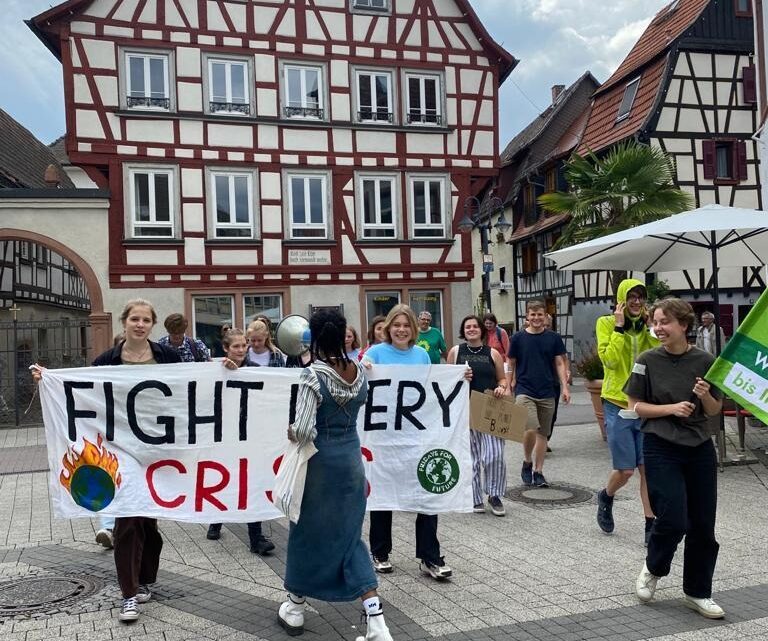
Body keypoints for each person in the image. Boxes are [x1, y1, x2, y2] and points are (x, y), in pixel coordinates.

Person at [31, 300, 182, 622]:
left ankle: (146, 579)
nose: (139, 324)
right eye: (134, 319)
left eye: (145, 320)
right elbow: (81, 387)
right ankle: (129, 593)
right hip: (120, 450)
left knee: (148, 524)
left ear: (151, 325)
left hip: (157, 451)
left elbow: (193, 385)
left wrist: (228, 367)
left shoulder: (167, 356)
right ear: (125, 323)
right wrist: (49, 379)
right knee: (127, 522)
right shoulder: (107, 360)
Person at [278, 309, 393, 641]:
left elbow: (302, 430)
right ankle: (377, 623)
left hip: (320, 463)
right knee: (349, 536)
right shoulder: (358, 371)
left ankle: (296, 607)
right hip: (352, 462)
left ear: (314, 338)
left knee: (305, 532)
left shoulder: (312, 374)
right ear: (342, 334)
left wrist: (289, 431)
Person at [626, 298, 724, 619]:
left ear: (684, 325)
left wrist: (705, 394)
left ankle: (697, 592)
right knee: (673, 518)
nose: (658, 328)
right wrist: (670, 408)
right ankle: (653, 568)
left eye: (664, 322)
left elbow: (714, 410)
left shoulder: (706, 361)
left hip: (698, 448)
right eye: (655, 322)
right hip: (660, 445)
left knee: (702, 524)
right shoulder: (647, 360)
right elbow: (634, 405)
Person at [362, 304, 468, 580]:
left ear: (413, 329)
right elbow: (359, 384)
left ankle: (429, 556)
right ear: (387, 328)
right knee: (383, 494)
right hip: (383, 438)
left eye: (406, 325)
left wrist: (460, 379)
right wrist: (364, 369)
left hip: (416, 436)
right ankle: (380, 551)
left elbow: (434, 388)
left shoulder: (421, 355)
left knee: (426, 494)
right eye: (396, 325)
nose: (401, 330)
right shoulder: (374, 353)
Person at [595, 279, 658, 544]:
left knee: (647, 469)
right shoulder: (606, 323)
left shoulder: (646, 327)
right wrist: (620, 328)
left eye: (640, 297)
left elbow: (659, 357)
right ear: (621, 299)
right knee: (626, 471)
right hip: (617, 404)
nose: (636, 301)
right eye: (631, 296)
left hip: (643, 406)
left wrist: (651, 329)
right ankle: (606, 496)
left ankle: (650, 524)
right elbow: (608, 360)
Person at [205, 328, 275, 555]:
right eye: (236, 346)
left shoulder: (255, 370)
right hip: (224, 434)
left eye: (244, 345)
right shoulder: (215, 369)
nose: (241, 350)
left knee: (250, 482)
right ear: (226, 348)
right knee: (225, 477)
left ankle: (257, 538)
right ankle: (216, 519)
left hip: (249, 434)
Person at [447, 315, 508, 516]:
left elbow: (502, 379)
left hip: (490, 409)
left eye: (475, 326)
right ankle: (473, 497)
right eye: (467, 327)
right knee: (471, 457)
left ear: (482, 330)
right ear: (463, 331)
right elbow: (446, 383)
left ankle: (494, 494)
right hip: (465, 410)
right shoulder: (455, 352)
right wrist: (458, 377)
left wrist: (501, 388)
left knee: (494, 455)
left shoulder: (493, 353)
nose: (471, 329)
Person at [507, 300, 570, 488]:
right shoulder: (518, 338)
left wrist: (565, 387)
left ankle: (539, 471)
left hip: (548, 390)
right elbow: (511, 362)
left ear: (545, 316)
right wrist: (509, 383)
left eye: (540, 314)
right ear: (527, 316)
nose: (536, 318)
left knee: (544, 433)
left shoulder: (553, 338)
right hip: (525, 389)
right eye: (532, 314)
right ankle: (527, 461)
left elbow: (560, 363)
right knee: (531, 428)